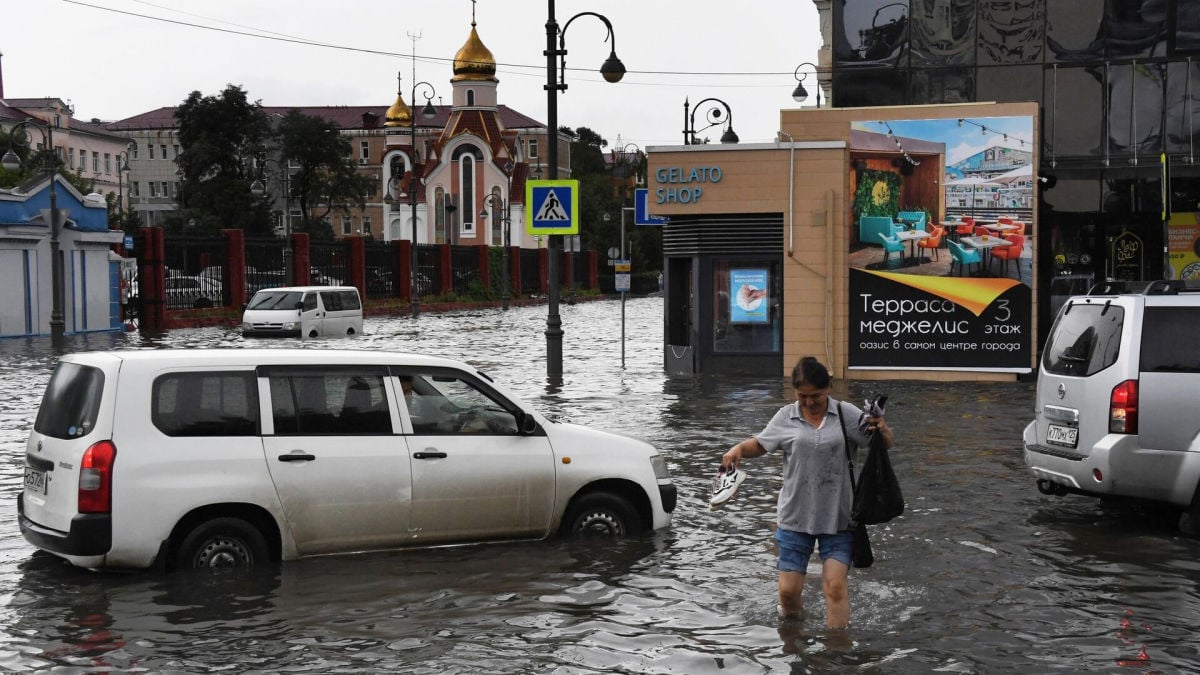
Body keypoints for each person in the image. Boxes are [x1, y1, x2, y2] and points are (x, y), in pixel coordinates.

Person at [721, 356, 894, 629]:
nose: (809, 402)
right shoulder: (785, 416)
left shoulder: (846, 414)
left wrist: (883, 430)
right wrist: (739, 449)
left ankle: (836, 652)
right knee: (788, 593)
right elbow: (762, 444)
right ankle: (794, 638)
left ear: (828, 389)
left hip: (840, 516)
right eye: (803, 396)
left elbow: (883, 444)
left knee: (835, 587)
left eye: (816, 396)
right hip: (795, 516)